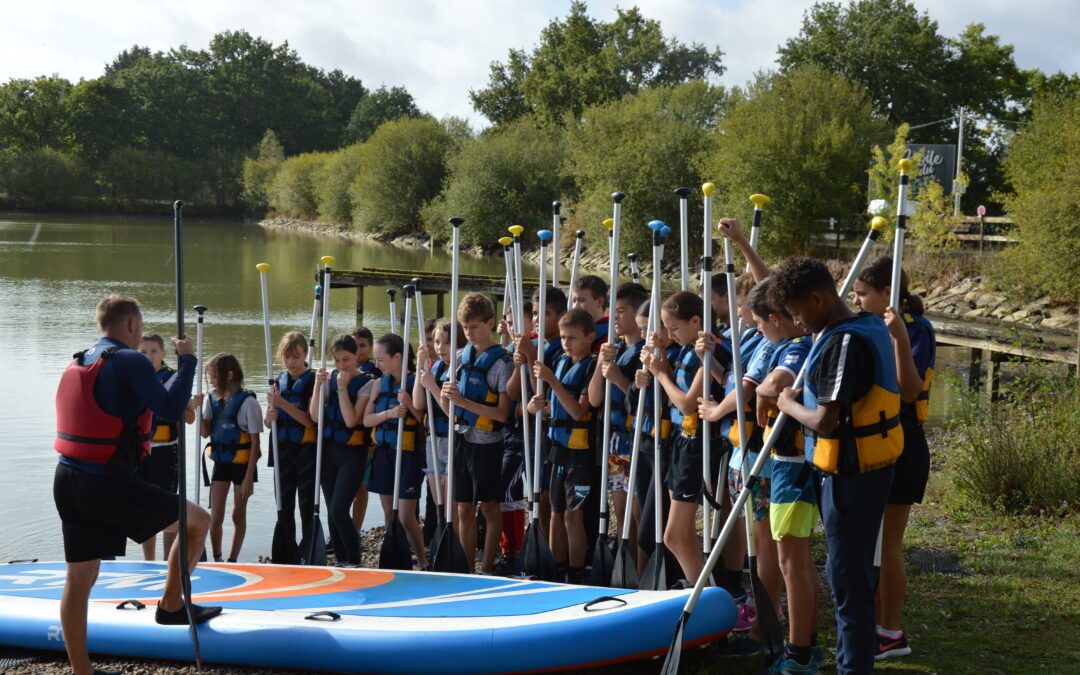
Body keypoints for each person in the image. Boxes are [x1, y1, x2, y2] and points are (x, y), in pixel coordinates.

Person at [54, 295, 220, 675]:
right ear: (131, 325)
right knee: (198, 522)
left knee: (80, 578)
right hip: (107, 482)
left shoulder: (82, 357)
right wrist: (189, 360)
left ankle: (83, 672)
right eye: (140, 327)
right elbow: (170, 409)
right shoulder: (129, 359)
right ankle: (172, 605)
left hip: (68, 478)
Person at [773, 257, 903, 675]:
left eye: (797, 313)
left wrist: (789, 404)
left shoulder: (845, 341)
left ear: (818, 298)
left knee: (848, 581)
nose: (797, 322)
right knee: (847, 571)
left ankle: (854, 667)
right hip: (857, 470)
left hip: (852, 477)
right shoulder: (857, 327)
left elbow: (827, 421)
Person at [853, 256, 935, 661]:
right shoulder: (861, 326)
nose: (857, 300)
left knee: (888, 544)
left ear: (888, 293)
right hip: (870, 442)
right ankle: (871, 622)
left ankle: (890, 632)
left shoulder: (917, 330)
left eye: (863, 293)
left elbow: (910, 390)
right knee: (867, 540)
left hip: (903, 444)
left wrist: (899, 339)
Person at [746, 278, 824, 674]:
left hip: (792, 468)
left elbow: (777, 382)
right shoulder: (792, 343)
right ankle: (805, 642)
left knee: (792, 562)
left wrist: (762, 392)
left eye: (761, 323)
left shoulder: (796, 347)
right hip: (786, 465)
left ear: (777, 319)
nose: (758, 330)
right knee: (795, 560)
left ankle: (798, 653)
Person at [441, 293, 514, 574]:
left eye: (475, 327)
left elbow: (503, 414)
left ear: (490, 324)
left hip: (488, 444)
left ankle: (487, 567)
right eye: (465, 327)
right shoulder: (460, 357)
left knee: (489, 508)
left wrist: (463, 402)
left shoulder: (502, 363)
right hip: (462, 438)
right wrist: (445, 397)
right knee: (462, 509)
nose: (469, 333)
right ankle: (466, 569)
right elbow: (450, 407)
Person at [528, 308, 598, 584]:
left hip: (579, 454)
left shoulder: (590, 367)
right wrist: (538, 407)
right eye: (564, 337)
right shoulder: (558, 360)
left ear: (589, 337)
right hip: (556, 447)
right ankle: (556, 569)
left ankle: (577, 570)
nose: (566, 343)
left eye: (573, 338)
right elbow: (552, 408)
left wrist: (552, 381)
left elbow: (579, 411)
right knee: (555, 513)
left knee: (572, 516)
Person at [641, 291, 706, 582]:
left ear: (696, 321)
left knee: (674, 536)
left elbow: (686, 403)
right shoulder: (686, 348)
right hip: (679, 443)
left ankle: (701, 595)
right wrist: (662, 356)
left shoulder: (708, 352)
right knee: (680, 534)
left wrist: (660, 374)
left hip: (695, 445)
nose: (670, 334)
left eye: (674, 328)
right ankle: (702, 587)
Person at [588, 282, 648, 563]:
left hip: (633, 437)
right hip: (613, 440)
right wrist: (602, 368)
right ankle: (625, 563)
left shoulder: (644, 353)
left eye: (621, 311)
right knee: (621, 510)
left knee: (637, 511)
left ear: (637, 315)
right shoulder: (614, 351)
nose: (615, 318)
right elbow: (595, 399)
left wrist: (619, 378)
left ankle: (640, 564)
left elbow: (640, 399)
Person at [365, 333, 427, 568]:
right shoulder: (379, 384)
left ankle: (423, 562)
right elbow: (367, 420)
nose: (377, 364)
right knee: (390, 516)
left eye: (381, 359)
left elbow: (424, 419)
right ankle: (397, 560)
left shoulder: (415, 381)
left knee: (406, 517)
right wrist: (389, 414)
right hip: (385, 454)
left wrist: (409, 403)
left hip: (408, 454)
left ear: (397, 357)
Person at [309, 334, 372, 566]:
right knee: (331, 512)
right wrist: (318, 386)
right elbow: (315, 416)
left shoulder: (368, 383)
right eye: (336, 360)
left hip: (352, 454)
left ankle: (355, 561)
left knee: (339, 510)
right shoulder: (329, 379)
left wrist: (342, 389)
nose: (341, 365)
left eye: (346, 359)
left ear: (357, 356)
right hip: (329, 452)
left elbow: (350, 420)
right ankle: (342, 559)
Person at [136, 332, 196, 561]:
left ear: (162, 353)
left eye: (153, 352)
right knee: (144, 509)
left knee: (167, 510)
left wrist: (168, 403)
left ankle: (166, 562)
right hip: (142, 452)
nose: (149, 356)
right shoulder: (136, 378)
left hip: (166, 452)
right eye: (143, 352)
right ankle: (148, 562)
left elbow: (190, 417)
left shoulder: (174, 379)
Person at [197, 353, 262, 563]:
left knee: (237, 514)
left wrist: (249, 478)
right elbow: (205, 433)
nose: (213, 382)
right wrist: (197, 410)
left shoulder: (248, 402)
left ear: (230, 375)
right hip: (221, 463)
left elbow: (255, 443)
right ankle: (218, 558)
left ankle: (233, 559)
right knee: (215, 516)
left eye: (215, 377)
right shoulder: (211, 399)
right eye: (211, 378)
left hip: (243, 465)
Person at [264, 331, 316, 564]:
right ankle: (287, 552)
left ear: (305, 354)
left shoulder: (313, 381)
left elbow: (308, 420)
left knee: (306, 506)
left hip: (305, 452)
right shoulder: (277, 382)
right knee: (283, 506)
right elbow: (269, 423)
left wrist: (282, 403)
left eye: (296, 356)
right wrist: (270, 415)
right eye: (286, 357)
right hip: (282, 451)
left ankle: (309, 550)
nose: (291, 362)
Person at [415, 318, 458, 547]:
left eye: (445, 343)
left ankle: (452, 541)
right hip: (433, 438)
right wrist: (421, 368)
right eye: (437, 342)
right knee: (437, 498)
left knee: (449, 498)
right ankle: (440, 539)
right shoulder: (436, 367)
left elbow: (452, 412)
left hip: (451, 439)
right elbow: (418, 403)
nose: (440, 348)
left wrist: (432, 385)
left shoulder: (458, 367)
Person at [349, 327, 380, 531]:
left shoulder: (376, 374)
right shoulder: (343, 371)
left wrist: (373, 443)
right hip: (345, 437)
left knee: (360, 487)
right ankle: (344, 527)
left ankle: (356, 529)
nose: (358, 350)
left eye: (362, 346)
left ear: (370, 348)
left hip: (366, 438)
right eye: (354, 346)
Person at [571, 274, 609, 355]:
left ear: (599, 302)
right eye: (574, 301)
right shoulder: (568, 333)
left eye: (582, 300)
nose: (575, 307)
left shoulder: (610, 337)